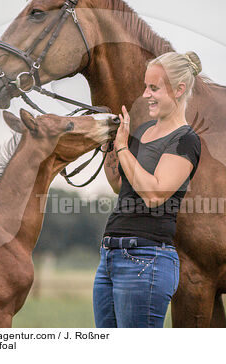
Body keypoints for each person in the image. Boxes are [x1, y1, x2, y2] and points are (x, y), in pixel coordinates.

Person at [94, 51, 202, 328]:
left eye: (154, 88)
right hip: (110, 256)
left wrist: (122, 147)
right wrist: (110, 149)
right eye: (146, 87)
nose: (145, 95)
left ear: (179, 90)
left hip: (146, 260)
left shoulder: (185, 140)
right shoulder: (142, 132)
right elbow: (122, 186)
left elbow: (154, 195)